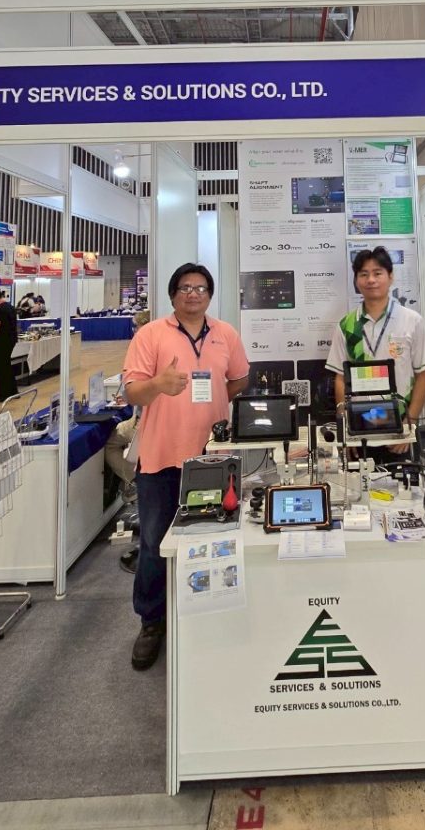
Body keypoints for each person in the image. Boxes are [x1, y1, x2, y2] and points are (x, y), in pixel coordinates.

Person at [122, 263, 249, 670]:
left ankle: (211, 613)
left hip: (214, 459)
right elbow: (132, 393)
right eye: (185, 287)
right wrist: (158, 385)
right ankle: (152, 622)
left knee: (216, 538)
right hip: (161, 457)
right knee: (155, 545)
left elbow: (239, 380)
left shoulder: (226, 334)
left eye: (200, 288)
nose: (193, 294)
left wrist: (214, 398)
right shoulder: (150, 335)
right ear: (173, 294)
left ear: (210, 294)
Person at [325, 247, 425, 455]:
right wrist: (344, 426)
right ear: (357, 281)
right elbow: (340, 378)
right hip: (359, 428)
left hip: (399, 425)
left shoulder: (412, 321)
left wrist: (410, 422)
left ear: (390, 277)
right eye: (364, 274)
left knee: (402, 476)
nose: (371, 280)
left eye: (377, 273)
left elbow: (424, 375)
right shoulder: (347, 325)